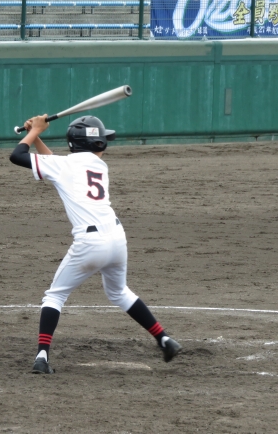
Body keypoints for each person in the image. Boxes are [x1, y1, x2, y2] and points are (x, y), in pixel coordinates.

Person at [10, 114, 182, 374]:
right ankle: (164, 339)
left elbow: (16, 156)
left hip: (90, 244)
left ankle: (42, 357)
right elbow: (53, 164)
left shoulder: (65, 166)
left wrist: (35, 131)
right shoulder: (98, 166)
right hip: (117, 239)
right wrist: (36, 135)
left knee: (55, 296)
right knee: (119, 292)